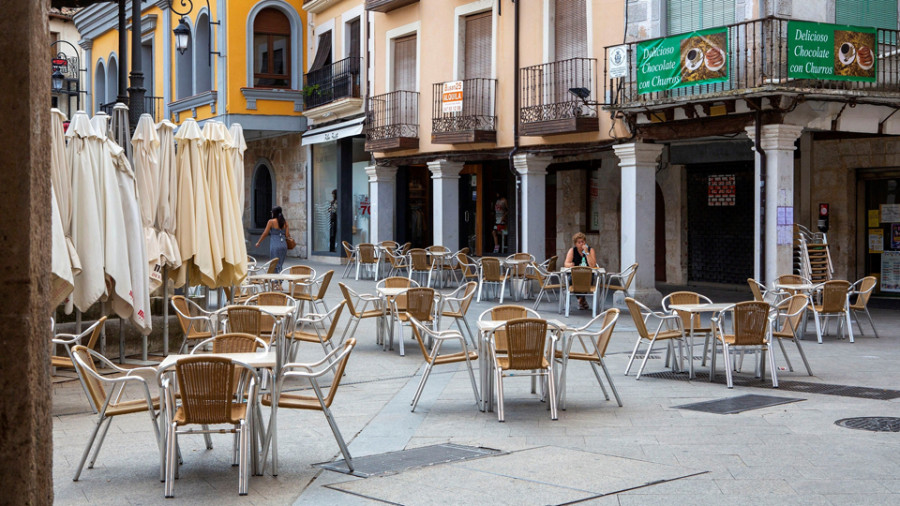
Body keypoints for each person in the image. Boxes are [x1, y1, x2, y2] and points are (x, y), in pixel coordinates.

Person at [563, 232, 597, 310]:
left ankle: (580, 300)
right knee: (570, 280)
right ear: (575, 244)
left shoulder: (590, 250)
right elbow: (566, 263)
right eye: (579, 242)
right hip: (575, 275)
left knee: (588, 280)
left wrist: (587, 253)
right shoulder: (572, 250)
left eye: (583, 242)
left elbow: (592, 265)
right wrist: (571, 264)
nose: (581, 244)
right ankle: (582, 300)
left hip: (587, 275)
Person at [256, 206, 290, 272]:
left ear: (274, 213)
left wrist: (259, 242)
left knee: (274, 264)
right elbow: (287, 235)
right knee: (280, 264)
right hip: (283, 245)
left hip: (275, 245)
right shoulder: (285, 223)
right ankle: (279, 279)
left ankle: (275, 280)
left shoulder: (271, 222)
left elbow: (265, 233)